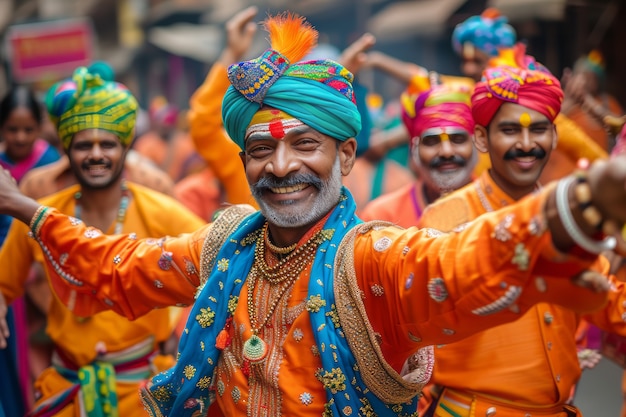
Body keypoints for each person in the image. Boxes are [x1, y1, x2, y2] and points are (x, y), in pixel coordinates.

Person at [0, 11, 625, 417]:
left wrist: (581, 203)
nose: (279, 166)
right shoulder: (222, 247)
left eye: (305, 144)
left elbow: (459, 261)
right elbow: (122, 264)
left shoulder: (371, 257)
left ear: (345, 153)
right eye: (262, 147)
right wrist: (29, 208)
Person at [415, 62, 626, 417]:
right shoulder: (447, 217)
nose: (526, 145)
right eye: (510, 131)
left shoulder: (571, 218)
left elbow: (607, 298)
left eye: (539, 130)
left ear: (555, 137)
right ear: (482, 138)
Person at [0, 65, 206, 416]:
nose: (96, 154)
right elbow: (5, 282)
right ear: (66, 149)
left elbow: (218, 261)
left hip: (142, 394)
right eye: (83, 145)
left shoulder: (160, 210)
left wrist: (184, 326)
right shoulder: (41, 216)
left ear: (125, 146)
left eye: (107, 143)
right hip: (66, 391)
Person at [0, 85, 62, 415]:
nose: (20, 137)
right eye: (12, 129)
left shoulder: (50, 165)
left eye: (28, 129)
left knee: (43, 353)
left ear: (39, 128)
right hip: (6, 279)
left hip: (41, 281)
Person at [360, 83, 476, 227]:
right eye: (432, 141)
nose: (446, 152)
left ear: (477, 142)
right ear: (414, 149)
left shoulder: (499, 208)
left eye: (457, 140)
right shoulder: (381, 217)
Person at [561, 50, 624, 152]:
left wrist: (587, 101)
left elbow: (621, 129)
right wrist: (571, 100)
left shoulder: (608, 102)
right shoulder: (564, 100)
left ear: (598, 81)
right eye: (582, 75)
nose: (586, 80)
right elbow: (548, 124)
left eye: (590, 76)